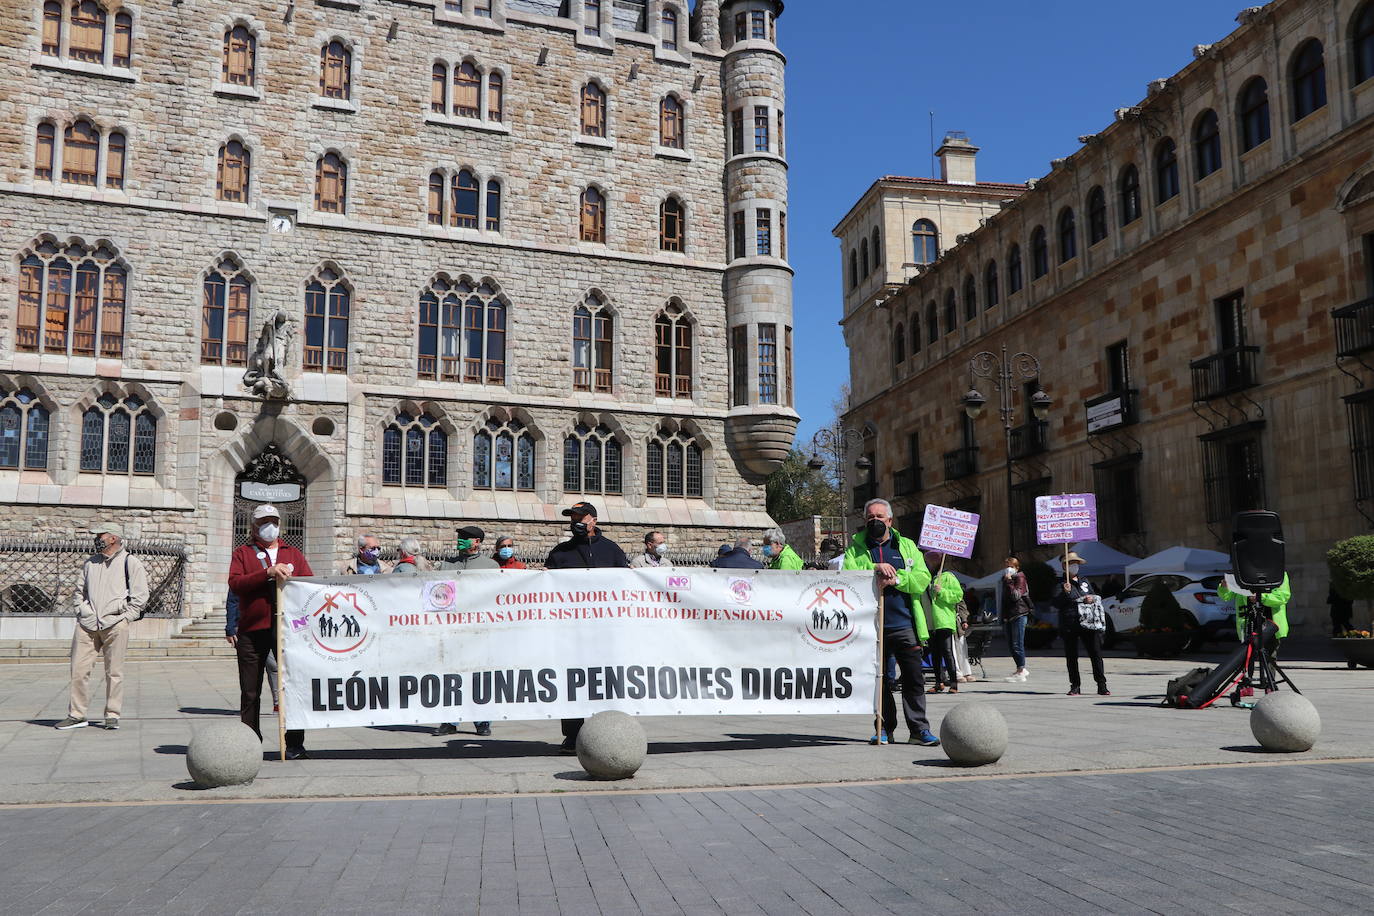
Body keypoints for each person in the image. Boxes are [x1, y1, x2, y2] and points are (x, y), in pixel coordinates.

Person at [843, 498, 939, 747]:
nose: (874, 521)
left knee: (913, 679)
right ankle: (883, 728)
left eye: (879, 517)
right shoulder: (856, 549)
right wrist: (876, 567)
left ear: (889, 520)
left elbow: (921, 578)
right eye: (870, 517)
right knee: (880, 680)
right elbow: (848, 573)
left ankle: (919, 729)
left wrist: (896, 579)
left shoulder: (906, 546)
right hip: (873, 627)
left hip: (905, 624)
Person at [227, 504, 312, 758]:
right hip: (253, 629)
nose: (270, 527)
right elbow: (236, 583)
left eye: (273, 521)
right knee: (250, 690)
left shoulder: (293, 553)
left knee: (292, 686)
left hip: (286, 630)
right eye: (264, 522)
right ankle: (250, 742)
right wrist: (266, 573)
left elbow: (308, 583)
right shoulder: (242, 553)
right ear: (254, 526)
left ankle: (294, 742)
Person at [545, 501, 630, 753]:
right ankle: (572, 736)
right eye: (572, 518)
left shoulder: (612, 550)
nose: (575, 523)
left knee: (607, 682)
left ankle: (608, 732)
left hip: (606, 631)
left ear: (593, 520)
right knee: (572, 683)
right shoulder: (560, 552)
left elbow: (625, 584)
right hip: (570, 632)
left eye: (580, 518)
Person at [55, 524, 149, 731]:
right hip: (87, 625)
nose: (97, 539)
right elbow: (79, 591)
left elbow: (140, 596)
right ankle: (77, 715)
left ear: (113, 538)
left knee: (114, 672)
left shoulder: (130, 563)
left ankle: (112, 714)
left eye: (101, 536)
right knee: (78, 671)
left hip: (115, 624)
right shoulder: (90, 563)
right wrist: (82, 611)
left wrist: (126, 618)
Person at [434, 526, 496, 737]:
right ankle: (449, 721)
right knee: (450, 676)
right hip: (451, 630)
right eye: (460, 537)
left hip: (479, 631)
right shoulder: (446, 565)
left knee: (480, 677)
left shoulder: (491, 566)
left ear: (477, 542)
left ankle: (482, 722)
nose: (460, 540)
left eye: (465, 538)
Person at [1052, 552, 1110, 696]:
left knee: (1095, 653)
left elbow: (1092, 595)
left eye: (1076, 563)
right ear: (1064, 566)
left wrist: (1091, 598)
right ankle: (1075, 685)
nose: (1074, 566)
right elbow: (1056, 603)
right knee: (1072, 656)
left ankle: (1101, 684)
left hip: (1088, 622)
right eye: (1071, 563)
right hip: (1070, 623)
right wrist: (1065, 593)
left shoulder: (1084, 581)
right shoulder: (1060, 583)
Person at [226, 589, 277, 712]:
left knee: (273, 665)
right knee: (250, 673)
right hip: (246, 628)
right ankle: (250, 709)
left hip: (269, 627)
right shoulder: (243, 577)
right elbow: (232, 601)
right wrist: (230, 628)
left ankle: (278, 702)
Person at [1219, 572, 1291, 658]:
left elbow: (1283, 597)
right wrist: (1224, 587)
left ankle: (1269, 670)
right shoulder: (1242, 571)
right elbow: (1226, 596)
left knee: (1269, 659)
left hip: (1270, 624)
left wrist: (1261, 597)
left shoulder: (1277, 571)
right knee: (1245, 659)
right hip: (1248, 622)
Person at [922, 551, 962, 694]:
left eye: (928, 562)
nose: (927, 564)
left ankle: (953, 683)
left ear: (935, 562)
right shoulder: (928, 578)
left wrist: (942, 591)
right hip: (931, 622)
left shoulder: (948, 577)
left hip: (944, 620)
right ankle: (939, 682)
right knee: (935, 653)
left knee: (947, 651)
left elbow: (958, 596)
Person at [1000, 556, 1032, 683]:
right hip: (1009, 615)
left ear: (1017, 568)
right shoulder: (1006, 579)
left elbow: (1016, 596)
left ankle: (1021, 670)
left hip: (1019, 613)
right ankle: (1019, 668)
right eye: (1007, 565)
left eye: (1011, 566)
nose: (1008, 568)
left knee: (1017, 643)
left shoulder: (1020, 577)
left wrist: (1009, 582)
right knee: (1011, 644)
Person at [952, 586, 976, 683]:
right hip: (946, 622)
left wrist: (964, 620)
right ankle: (957, 673)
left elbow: (962, 607)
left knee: (962, 648)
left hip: (958, 624)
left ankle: (966, 672)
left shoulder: (957, 594)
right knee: (952, 649)